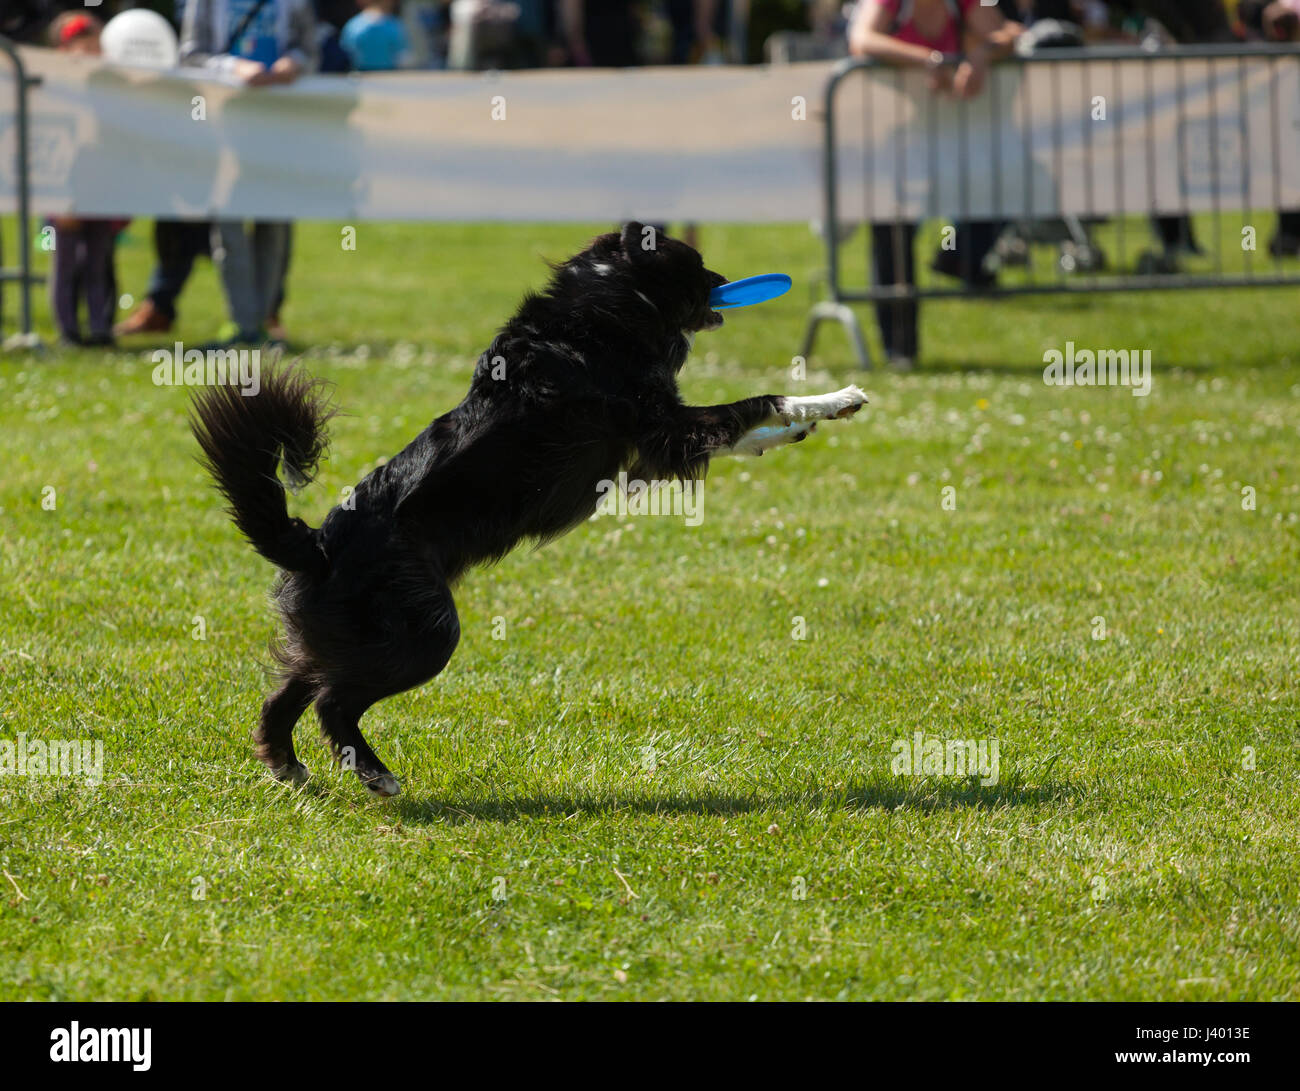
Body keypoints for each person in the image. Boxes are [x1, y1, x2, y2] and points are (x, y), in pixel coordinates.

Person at [848, 0, 1017, 369]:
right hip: (891, 141)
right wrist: (930, 59)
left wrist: (982, 56)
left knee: (1007, 189)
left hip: (953, 140)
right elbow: (861, 39)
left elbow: (1011, 33)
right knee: (892, 235)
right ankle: (901, 350)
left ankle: (958, 260)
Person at [180, 0, 319, 346]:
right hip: (222, 118)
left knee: (274, 221)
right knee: (228, 220)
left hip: (280, 119)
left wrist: (294, 62)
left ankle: (262, 320)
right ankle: (242, 321)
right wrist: (233, 66)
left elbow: (310, 48)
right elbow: (190, 54)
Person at [46, 12, 127, 347]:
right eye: (84, 48)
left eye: (97, 48)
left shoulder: (110, 89)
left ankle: (99, 327)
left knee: (96, 263)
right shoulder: (52, 89)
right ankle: (68, 329)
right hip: (64, 191)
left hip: (100, 190)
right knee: (65, 263)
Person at [341, 0, 413, 70]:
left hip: (362, 75)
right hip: (386, 74)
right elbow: (403, 56)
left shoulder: (353, 24)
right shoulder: (394, 25)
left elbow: (346, 52)